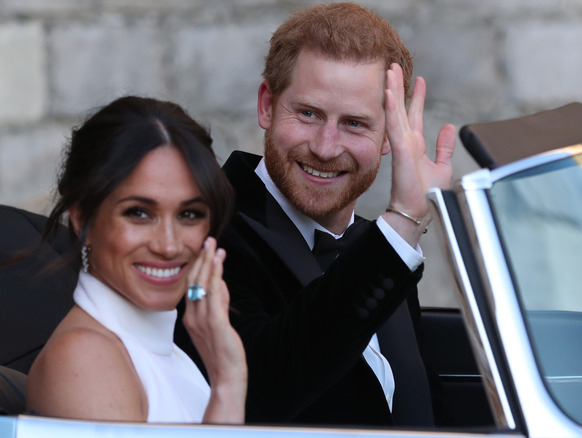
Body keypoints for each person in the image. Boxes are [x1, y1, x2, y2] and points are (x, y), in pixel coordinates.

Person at [190, 2, 457, 427]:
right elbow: (258, 389)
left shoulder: (381, 247)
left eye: (354, 123)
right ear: (266, 106)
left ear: (390, 136)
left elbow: (421, 410)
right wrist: (404, 220)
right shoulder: (206, 231)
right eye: (309, 113)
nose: (326, 146)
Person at [26, 96, 247, 424]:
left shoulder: (168, 353)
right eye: (139, 213)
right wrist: (228, 385)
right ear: (81, 218)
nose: (169, 246)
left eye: (189, 214)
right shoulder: (84, 358)